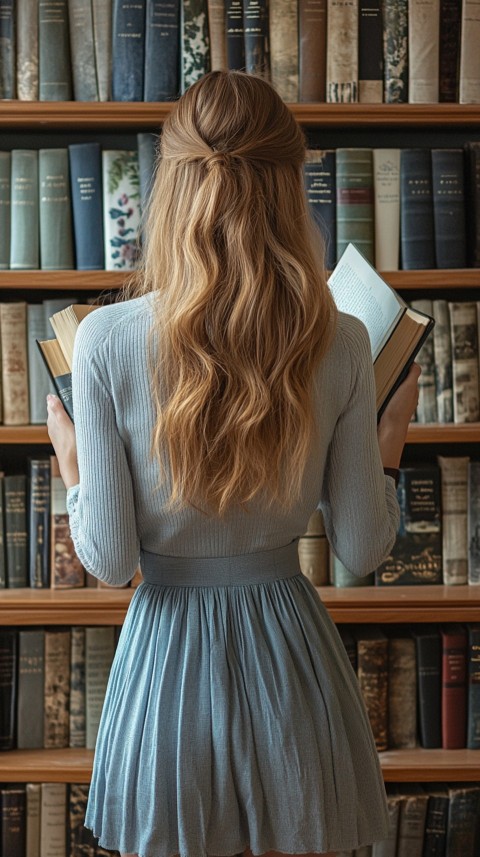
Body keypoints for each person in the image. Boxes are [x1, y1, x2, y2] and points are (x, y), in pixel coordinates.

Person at [47, 70, 421, 857]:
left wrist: (74, 462)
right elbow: (361, 548)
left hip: (166, 664)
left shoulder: (106, 342)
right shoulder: (344, 338)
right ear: (292, 186)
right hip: (291, 657)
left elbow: (111, 562)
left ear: (171, 185)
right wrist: (390, 438)